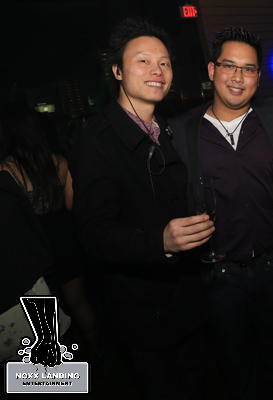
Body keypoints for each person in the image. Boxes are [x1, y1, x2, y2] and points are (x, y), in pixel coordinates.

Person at [71, 17, 213, 399]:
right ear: (117, 71)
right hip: (143, 310)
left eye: (164, 62)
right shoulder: (97, 140)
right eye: (144, 61)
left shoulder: (166, 130)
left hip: (187, 299)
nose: (157, 70)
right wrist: (159, 241)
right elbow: (93, 233)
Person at [169, 27, 273, 400]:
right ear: (212, 70)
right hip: (219, 273)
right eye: (229, 66)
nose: (238, 77)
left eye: (249, 69)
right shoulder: (180, 131)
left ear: (259, 76)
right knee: (232, 354)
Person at [0, 102, 97, 358]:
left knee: (48, 317)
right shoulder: (59, 161)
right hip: (65, 239)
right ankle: (97, 357)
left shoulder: (5, 170)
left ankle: (63, 365)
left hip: (35, 249)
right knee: (80, 303)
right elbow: (71, 205)